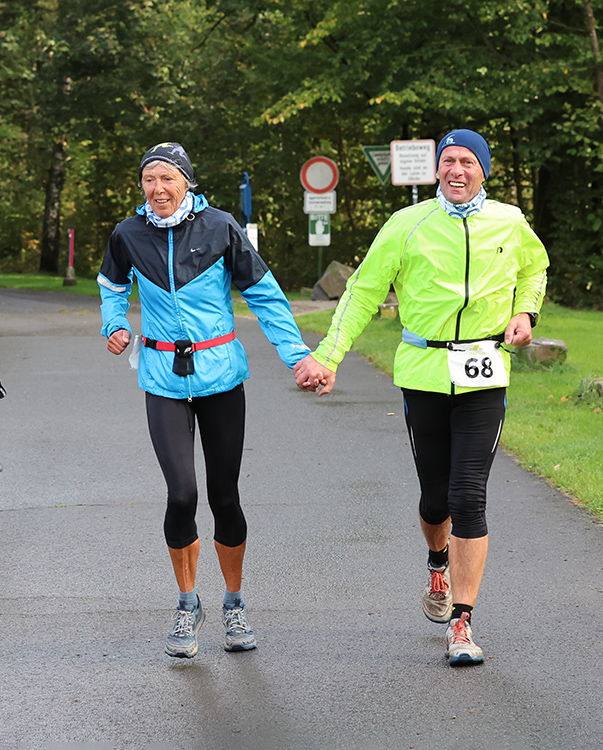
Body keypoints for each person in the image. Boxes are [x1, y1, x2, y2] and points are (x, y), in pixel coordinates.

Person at [294, 129, 548, 666]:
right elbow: (362, 292)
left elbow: (534, 268)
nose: (457, 170)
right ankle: (437, 560)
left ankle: (462, 622)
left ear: (483, 170)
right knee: (436, 501)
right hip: (424, 374)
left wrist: (525, 312)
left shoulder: (509, 221)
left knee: (468, 497)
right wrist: (329, 356)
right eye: (448, 160)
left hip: (484, 374)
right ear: (437, 169)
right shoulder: (406, 224)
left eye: (468, 162)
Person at [99, 142, 312, 658]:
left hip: (220, 377)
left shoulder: (220, 227)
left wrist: (297, 356)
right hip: (162, 378)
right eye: (149, 179)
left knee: (225, 496)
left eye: (167, 178)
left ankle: (234, 603)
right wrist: (114, 323)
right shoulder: (128, 233)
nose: (158, 188)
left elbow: (264, 295)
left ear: (187, 182)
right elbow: (111, 285)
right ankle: (187, 602)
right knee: (181, 495)